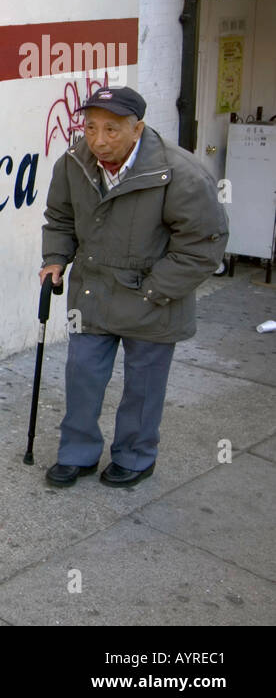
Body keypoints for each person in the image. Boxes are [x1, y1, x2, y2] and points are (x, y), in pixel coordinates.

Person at [38, 86, 227, 488]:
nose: (98, 140)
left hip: (154, 298)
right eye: (90, 128)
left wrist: (154, 290)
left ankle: (136, 456)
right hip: (93, 293)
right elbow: (60, 217)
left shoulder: (181, 173)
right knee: (82, 375)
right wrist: (55, 258)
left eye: (111, 129)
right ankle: (78, 453)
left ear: (137, 128)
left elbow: (202, 247)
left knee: (143, 388)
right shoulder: (75, 162)